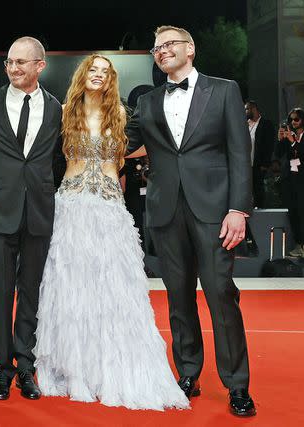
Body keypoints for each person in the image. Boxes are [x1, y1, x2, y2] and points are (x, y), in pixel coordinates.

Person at [33, 54, 189, 410]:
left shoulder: (121, 116)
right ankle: (73, 369)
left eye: (106, 72)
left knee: (113, 290)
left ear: (111, 79)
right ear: (83, 74)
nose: (99, 75)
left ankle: (113, 368)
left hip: (108, 210)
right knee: (72, 291)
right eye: (94, 69)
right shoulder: (63, 114)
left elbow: (160, 143)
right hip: (70, 209)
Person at [126, 25, 256, 417]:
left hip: (215, 211)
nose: (162, 51)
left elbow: (239, 152)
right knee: (178, 299)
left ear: (190, 49)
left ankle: (237, 385)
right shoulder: (146, 101)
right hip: (165, 211)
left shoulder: (224, 90)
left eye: (169, 44)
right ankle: (188, 373)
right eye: (156, 48)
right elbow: (122, 143)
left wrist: (239, 209)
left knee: (220, 295)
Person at [0, 36, 65, 401]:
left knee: (31, 293)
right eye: (10, 62)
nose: (13, 69)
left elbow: (58, 160)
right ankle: (2, 367)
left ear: (39, 66)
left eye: (21, 63)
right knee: (0, 292)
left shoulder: (56, 107)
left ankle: (25, 367)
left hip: (39, 212)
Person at [275, 108, 304, 259]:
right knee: (293, 212)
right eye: (291, 120)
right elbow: (278, 154)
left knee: (303, 212)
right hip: (289, 178)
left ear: (303, 120)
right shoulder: (288, 136)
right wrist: (281, 140)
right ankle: (299, 245)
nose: (293, 122)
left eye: (296, 119)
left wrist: (293, 143)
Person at [245, 100, 275, 208]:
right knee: (247, 188)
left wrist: (265, 163)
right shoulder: (245, 124)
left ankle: (260, 208)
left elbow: (269, 145)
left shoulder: (266, 124)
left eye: (247, 109)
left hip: (258, 163)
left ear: (254, 109)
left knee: (258, 187)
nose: (245, 111)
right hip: (246, 163)